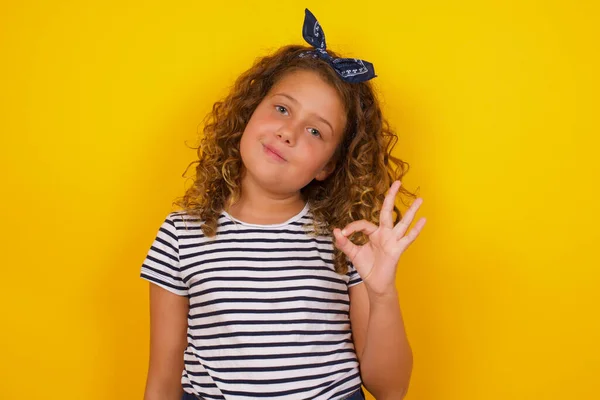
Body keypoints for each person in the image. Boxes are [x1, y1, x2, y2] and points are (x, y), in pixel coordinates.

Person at [140, 8, 426, 400]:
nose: (288, 133)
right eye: (282, 108)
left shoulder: (347, 241)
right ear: (249, 113)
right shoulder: (180, 234)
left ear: (327, 165)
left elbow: (391, 389)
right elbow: (162, 379)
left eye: (315, 130)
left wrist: (382, 294)